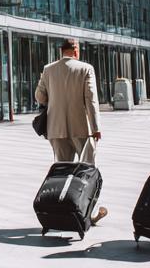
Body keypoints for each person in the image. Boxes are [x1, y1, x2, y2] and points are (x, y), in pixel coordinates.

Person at [34, 38, 107, 225]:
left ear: (61, 51)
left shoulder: (49, 69)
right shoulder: (86, 68)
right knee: (86, 172)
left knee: (61, 172)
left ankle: (60, 211)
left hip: (56, 129)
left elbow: (39, 96)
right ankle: (87, 214)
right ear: (75, 50)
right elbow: (91, 100)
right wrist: (96, 128)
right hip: (82, 128)